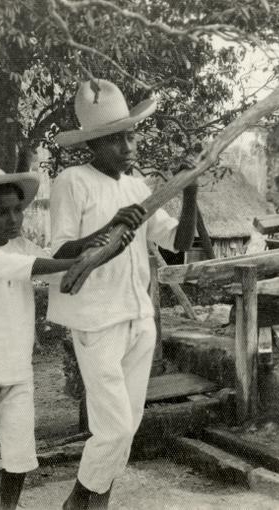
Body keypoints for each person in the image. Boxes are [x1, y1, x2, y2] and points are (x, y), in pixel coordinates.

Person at [0, 161, 133, 510]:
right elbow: (33, 268)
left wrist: (106, 233)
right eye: (1, 212)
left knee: (20, 455)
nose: (13, 219)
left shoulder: (22, 246)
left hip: (17, 371)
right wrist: (87, 260)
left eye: (18, 210)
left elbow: (54, 263)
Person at [49, 79, 198, 509]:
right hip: (96, 320)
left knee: (126, 426)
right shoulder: (72, 182)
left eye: (131, 135)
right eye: (115, 139)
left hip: (138, 318)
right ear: (93, 146)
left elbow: (179, 240)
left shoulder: (138, 187)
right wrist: (108, 227)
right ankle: (79, 500)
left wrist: (191, 192)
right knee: (111, 428)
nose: (128, 145)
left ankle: (94, 502)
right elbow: (61, 252)